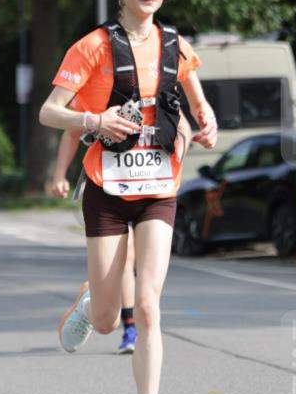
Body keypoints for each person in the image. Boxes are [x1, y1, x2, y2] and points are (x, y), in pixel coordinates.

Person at [39, 0, 217, 394]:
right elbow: (52, 113)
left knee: (149, 305)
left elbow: (200, 105)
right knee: (105, 322)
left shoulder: (176, 45)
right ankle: (93, 300)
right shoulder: (92, 46)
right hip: (107, 192)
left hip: (159, 189)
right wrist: (93, 122)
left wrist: (205, 126)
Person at [50, 104, 194, 355]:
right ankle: (125, 323)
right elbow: (72, 131)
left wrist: (197, 124)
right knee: (125, 258)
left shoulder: (159, 78)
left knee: (142, 266)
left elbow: (182, 123)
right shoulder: (102, 83)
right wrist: (59, 175)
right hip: (109, 192)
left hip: (151, 191)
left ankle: (128, 323)